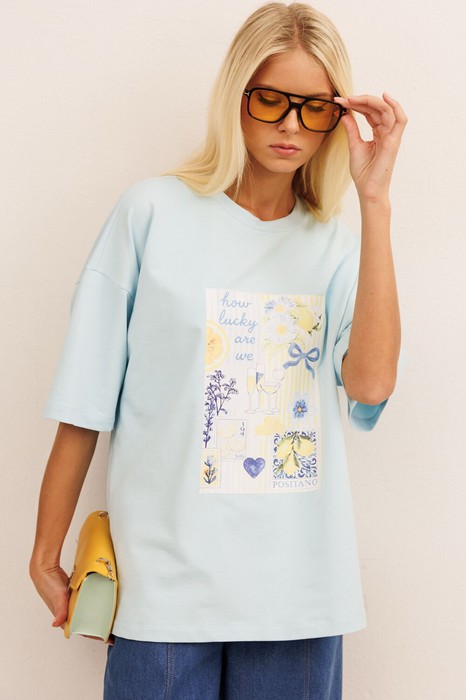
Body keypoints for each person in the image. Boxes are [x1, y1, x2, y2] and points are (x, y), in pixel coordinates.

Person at [29, 2, 407, 698]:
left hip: (298, 596)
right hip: (165, 591)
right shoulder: (151, 213)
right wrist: (45, 550)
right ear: (236, 94)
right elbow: (86, 396)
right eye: (272, 100)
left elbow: (371, 385)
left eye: (315, 108)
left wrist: (375, 202)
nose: (291, 125)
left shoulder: (334, 246)